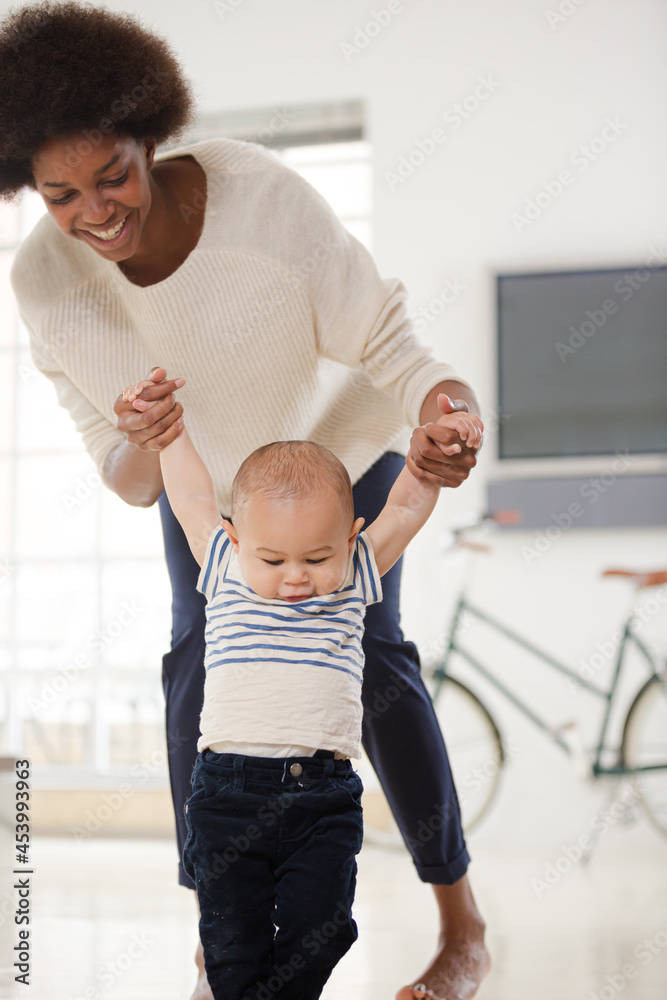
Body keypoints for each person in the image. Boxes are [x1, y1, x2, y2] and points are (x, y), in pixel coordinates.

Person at [3, 4, 489, 998]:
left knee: (374, 658)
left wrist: (447, 409)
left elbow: (391, 346)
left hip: (335, 452)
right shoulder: (44, 283)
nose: (95, 211)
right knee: (194, 662)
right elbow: (127, 477)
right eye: (61, 195)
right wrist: (145, 438)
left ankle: (460, 922)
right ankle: (217, 928)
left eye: (113, 175)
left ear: (150, 137)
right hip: (205, 483)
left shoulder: (259, 198)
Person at [120, 375, 482, 999]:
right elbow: (192, 494)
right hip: (228, 796)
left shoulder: (354, 575)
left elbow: (403, 509)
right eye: (273, 560)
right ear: (237, 541)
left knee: (326, 928)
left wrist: (433, 453)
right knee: (231, 945)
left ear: (349, 540)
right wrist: (170, 431)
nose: (295, 578)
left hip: (322, 796)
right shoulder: (225, 567)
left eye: (316, 559)